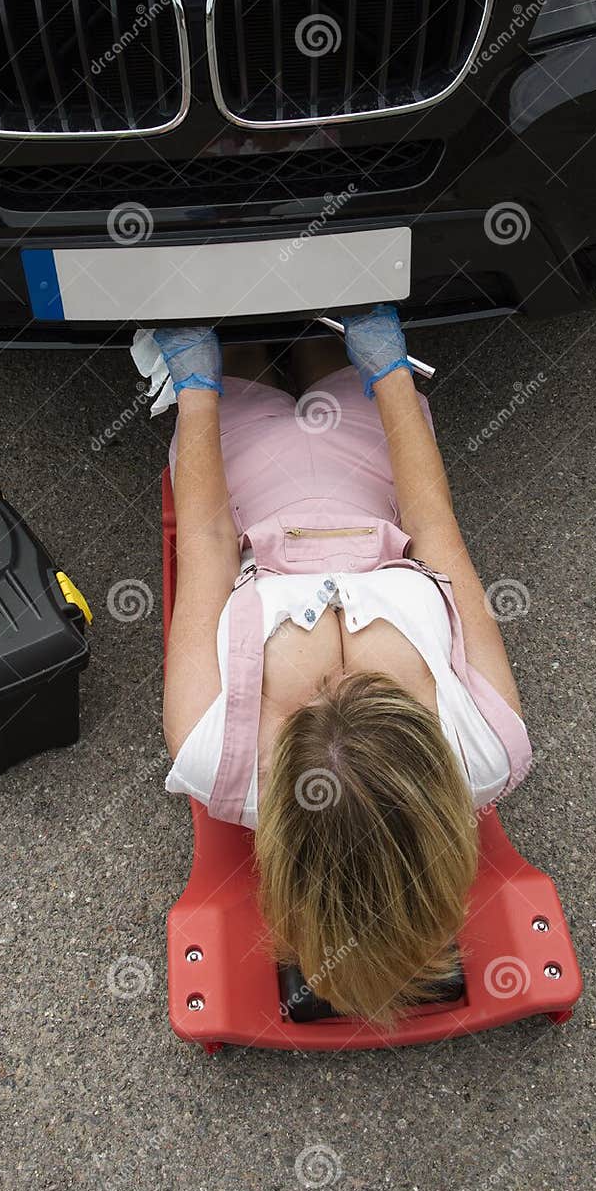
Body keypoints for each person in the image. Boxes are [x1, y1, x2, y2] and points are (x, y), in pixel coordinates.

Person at [158, 306, 532, 1027]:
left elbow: (204, 543)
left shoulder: (213, 753)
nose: (334, 682)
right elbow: (437, 537)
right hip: (370, 456)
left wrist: (195, 390)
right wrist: (389, 374)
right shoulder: (490, 743)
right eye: (373, 693)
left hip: (245, 471)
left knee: (239, 318)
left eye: (313, 700)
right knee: (321, 316)